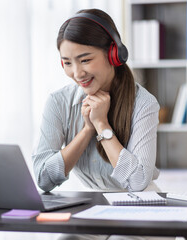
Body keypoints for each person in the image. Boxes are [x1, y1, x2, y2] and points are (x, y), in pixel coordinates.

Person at [32, 8, 160, 195]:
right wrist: (87, 130)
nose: (77, 73)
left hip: (138, 204)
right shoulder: (58, 102)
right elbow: (43, 179)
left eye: (85, 60)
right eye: (67, 63)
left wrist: (101, 125)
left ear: (113, 54)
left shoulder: (143, 104)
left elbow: (138, 181)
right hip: (91, 204)